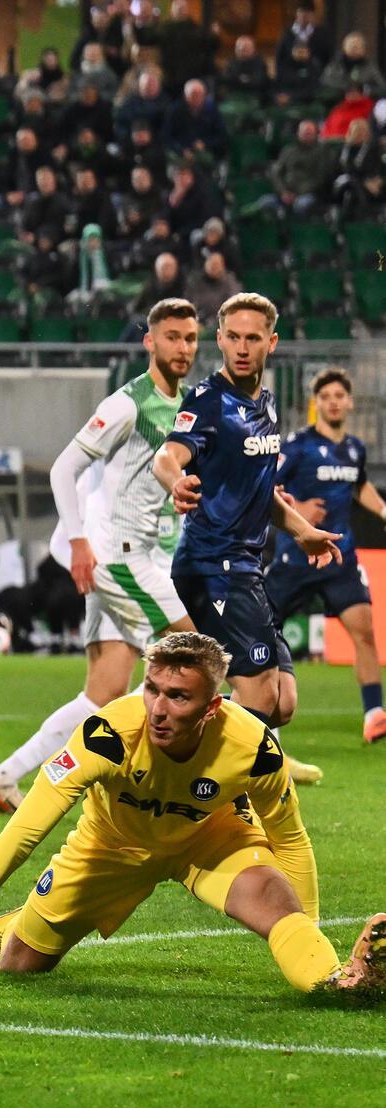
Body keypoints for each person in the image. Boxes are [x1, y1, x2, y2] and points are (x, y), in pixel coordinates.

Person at [0, 632, 385, 996]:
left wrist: (310, 936)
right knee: (19, 966)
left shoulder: (253, 747)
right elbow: (24, 830)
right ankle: (12, 926)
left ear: (213, 708)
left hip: (208, 838)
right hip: (108, 846)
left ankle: (338, 982)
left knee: (274, 896)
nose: (158, 708)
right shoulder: (106, 735)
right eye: (153, 689)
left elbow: (289, 840)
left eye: (178, 696)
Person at [0, 301, 200, 813]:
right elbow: (63, 468)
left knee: (103, 693)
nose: (182, 348)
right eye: (172, 337)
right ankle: (176, 784)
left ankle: (3, 778)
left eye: (189, 338)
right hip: (117, 558)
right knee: (196, 660)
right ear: (150, 342)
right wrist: (76, 541)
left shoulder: (185, 408)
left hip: (130, 556)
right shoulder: (127, 404)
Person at [153, 293, 341, 781]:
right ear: (219, 339)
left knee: (282, 704)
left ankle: (178, 753)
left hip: (246, 569)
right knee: (257, 695)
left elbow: (261, 493)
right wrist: (176, 480)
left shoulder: (267, 407)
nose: (241, 346)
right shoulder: (207, 401)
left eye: (252, 337)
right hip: (212, 565)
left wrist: (302, 531)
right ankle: (209, 800)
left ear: (271, 343)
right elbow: (168, 455)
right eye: (232, 337)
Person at [267, 369, 386, 744]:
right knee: (261, 627)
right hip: (296, 558)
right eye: (326, 396)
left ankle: (374, 714)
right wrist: (297, 505)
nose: (333, 401)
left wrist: (382, 511)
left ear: (349, 402)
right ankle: (256, 709)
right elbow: (265, 482)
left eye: (339, 395)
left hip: (340, 560)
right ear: (315, 403)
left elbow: (360, 484)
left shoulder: (354, 449)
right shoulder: (298, 445)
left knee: (364, 631)